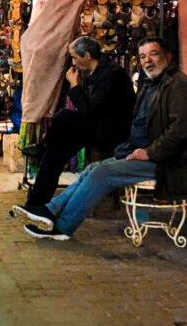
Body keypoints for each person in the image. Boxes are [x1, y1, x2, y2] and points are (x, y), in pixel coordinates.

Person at [14, 37, 187, 240]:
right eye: (142, 56)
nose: (147, 60)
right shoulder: (152, 85)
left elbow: (182, 131)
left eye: (153, 54)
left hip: (169, 164)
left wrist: (148, 153)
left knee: (101, 173)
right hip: (140, 151)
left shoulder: (179, 86)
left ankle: (62, 227)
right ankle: (49, 210)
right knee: (91, 168)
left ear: (168, 56)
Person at [14, 36, 135, 211]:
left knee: (64, 116)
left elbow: (88, 110)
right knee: (55, 153)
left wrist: (75, 85)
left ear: (87, 55)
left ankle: (43, 146)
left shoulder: (111, 74)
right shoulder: (95, 72)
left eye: (75, 58)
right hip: (96, 126)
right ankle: (35, 204)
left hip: (112, 131)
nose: (74, 63)